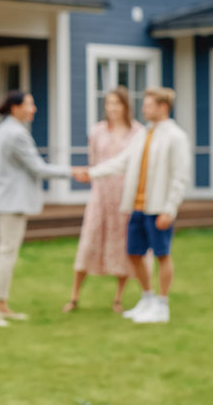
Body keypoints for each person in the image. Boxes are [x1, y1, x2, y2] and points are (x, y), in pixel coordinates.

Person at [73, 87, 191, 324]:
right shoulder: (143, 135)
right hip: (137, 206)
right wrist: (93, 173)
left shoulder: (175, 137)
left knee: (162, 254)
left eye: (149, 105)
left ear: (163, 107)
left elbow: (180, 176)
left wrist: (170, 208)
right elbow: (121, 162)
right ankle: (147, 298)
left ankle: (162, 304)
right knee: (134, 254)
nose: (144, 109)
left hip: (159, 207)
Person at [0, 91, 72, 327]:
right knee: (6, 254)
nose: (34, 108)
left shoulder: (3, 131)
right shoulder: (16, 134)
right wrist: (72, 172)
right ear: (15, 107)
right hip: (11, 203)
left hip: (5, 201)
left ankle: (2, 305)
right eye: (30, 104)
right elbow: (38, 168)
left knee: (9, 253)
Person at [63, 87, 145, 314]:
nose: (112, 108)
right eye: (108, 103)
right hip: (101, 193)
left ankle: (118, 298)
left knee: (122, 244)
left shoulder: (137, 132)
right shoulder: (97, 131)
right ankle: (74, 296)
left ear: (126, 106)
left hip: (124, 196)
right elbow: (94, 161)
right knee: (89, 240)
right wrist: (90, 174)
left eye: (117, 103)